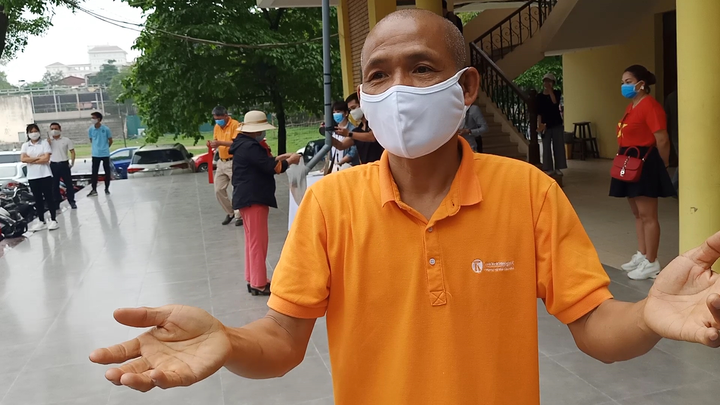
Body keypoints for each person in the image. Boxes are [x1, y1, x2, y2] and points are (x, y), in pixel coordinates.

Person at [91, 10, 720, 405]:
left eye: (421, 68)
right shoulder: (329, 203)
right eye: (378, 75)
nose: (398, 90)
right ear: (363, 95)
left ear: (465, 87)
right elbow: (282, 341)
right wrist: (227, 340)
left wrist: (647, 315)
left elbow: (596, 329)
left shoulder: (528, 192)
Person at [228, 111, 302, 295]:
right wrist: (290, 161)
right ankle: (259, 283)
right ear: (256, 130)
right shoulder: (251, 146)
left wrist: (280, 158)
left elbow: (262, 163)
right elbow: (272, 168)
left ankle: (253, 278)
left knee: (252, 241)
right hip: (254, 197)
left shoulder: (242, 144)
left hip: (246, 197)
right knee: (258, 242)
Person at [612, 65, 675, 280]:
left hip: (645, 162)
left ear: (641, 84)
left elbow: (662, 138)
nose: (624, 86)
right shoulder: (632, 106)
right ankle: (642, 253)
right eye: (623, 82)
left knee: (648, 215)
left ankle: (651, 262)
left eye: (628, 82)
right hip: (629, 161)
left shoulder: (650, 106)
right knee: (637, 214)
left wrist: (663, 165)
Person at [209, 106, 242, 226]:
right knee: (218, 189)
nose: (218, 121)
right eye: (215, 119)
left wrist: (220, 143)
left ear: (226, 116)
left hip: (233, 161)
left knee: (236, 189)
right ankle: (230, 212)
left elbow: (236, 143)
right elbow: (216, 141)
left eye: (219, 118)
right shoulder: (217, 127)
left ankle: (239, 215)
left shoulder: (235, 125)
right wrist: (212, 144)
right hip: (221, 161)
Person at [21, 124, 59, 231]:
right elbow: (23, 159)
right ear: (28, 133)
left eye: (35, 131)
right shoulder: (25, 145)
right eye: (31, 131)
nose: (34, 133)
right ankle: (41, 221)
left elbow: (46, 159)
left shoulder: (44, 143)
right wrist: (38, 158)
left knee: (49, 198)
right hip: (33, 176)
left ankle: (53, 220)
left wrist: (31, 159)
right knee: (37, 200)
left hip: (45, 175)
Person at [332, 93, 384, 164]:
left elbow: (372, 137)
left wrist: (348, 133)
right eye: (350, 109)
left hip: (380, 165)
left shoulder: (375, 122)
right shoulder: (357, 130)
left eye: (353, 108)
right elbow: (341, 145)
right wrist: (327, 134)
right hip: (366, 168)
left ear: (362, 105)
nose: (352, 112)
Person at [537, 73, 567, 176]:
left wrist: (550, 91)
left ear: (553, 83)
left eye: (549, 81)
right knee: (546, 147)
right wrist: (539, 125)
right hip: (545, 125)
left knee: (558, 146)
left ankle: (558, 167)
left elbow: (555, 102)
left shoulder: (557, 93)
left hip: (556, 123)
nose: (547, 83)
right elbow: (539, 112)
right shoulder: (539, 96)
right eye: (545, 81)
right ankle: (548, 168)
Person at [48, 122, 76, 210]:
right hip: (53, 164)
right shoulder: (48, 141)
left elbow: (72, 151)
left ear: (60, 129)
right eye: (52, 129)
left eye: (56, 129)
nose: (54, 131)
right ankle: (56, 202)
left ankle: (71, 201)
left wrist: (72, 162)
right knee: (54, 185)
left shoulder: (66, 140)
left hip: (64, 163)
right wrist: (48, 143)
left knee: (68, 184)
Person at [88, 112, 113, 196]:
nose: (92, 119)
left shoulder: (106, 129)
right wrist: (96, 147)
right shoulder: (91, 129)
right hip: (95, 154)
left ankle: (107, 188)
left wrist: (105, 147)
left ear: (99, 119)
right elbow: (91, 140)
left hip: (105, 153)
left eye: (94, 118)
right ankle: (94, 189)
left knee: (107, 172)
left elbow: (110, 140)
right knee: (94, 172)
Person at [664, 90, 679, 194]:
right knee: (684, 162)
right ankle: (672, 187)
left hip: (675, 133)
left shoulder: (671, 96)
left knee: (682, 161)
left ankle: (673, 187)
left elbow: (666, 117)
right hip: (681, 134)